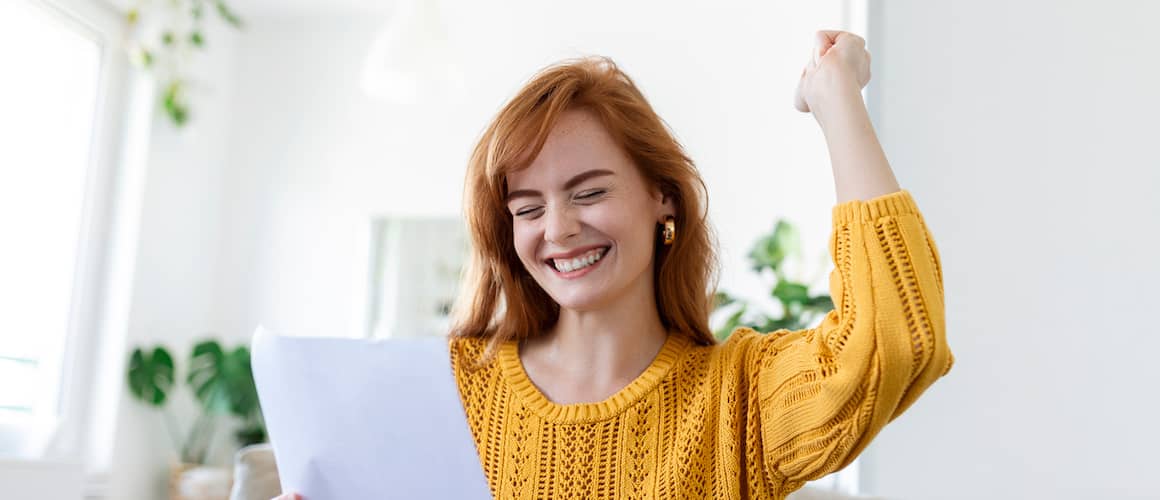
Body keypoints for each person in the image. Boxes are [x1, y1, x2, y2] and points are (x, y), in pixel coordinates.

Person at [275, 30, 952, 500]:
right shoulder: (449, 393)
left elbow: (895, 340)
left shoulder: (736, 401)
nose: (559, 229)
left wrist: (837, 101)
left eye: (589, 191)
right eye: (528, 206)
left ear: (662, 197)